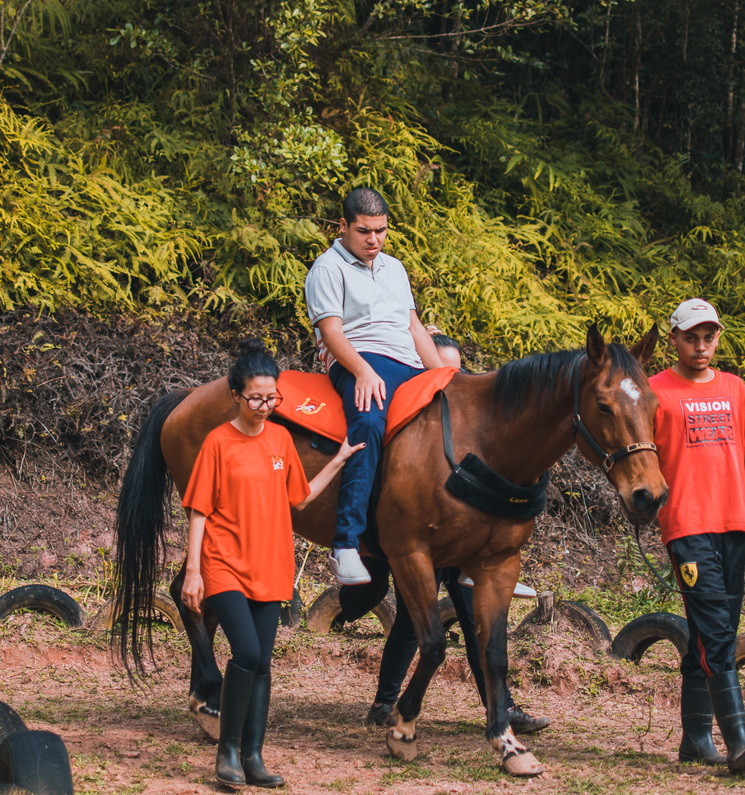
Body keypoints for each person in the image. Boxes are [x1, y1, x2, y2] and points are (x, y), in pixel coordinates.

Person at [180, 339, 364, 788]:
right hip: (223, 563)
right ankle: (227, 753)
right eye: (256, 398)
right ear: (236, 395)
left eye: (272, 398)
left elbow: (298, 497)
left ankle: (254, 756)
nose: (265, 406)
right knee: (245, 653)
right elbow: (199, 509)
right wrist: (192, 569)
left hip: (271, 563)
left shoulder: (281, 438)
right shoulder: (217, 443)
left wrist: (338, 460)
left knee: (262, 663)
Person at [366, 331, 549, 736]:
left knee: (474, 619)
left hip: (468, 539)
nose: (450, 379)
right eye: (441, 370)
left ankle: (500, 708)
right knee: (412, 622)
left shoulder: (480, 423)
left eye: (457, 372)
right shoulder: (422, 424)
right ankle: (385, 701)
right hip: (429, 536)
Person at [648, 298, 745, 774]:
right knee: (716, 634)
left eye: (708, 337)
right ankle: (738, 742)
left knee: (711, 636)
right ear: (673, 338)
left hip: (734, 524)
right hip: (686, 527)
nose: (701, 345)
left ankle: (694, 741)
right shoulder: (654, 392)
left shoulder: (734, 389)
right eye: (691, 337)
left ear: (717, 338)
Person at [304, 188, 444, 586]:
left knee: (460, 426)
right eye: (364, 231)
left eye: (381, 231)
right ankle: (345, 545)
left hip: (410, 362)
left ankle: (473, 551)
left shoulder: (394, 268)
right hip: (359, 359)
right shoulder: (327, 268)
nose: (374, 240)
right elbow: (331, 333)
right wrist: (363, 372)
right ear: (343, 226)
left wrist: (447, 378)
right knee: (366, 426)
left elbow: (413, 327)